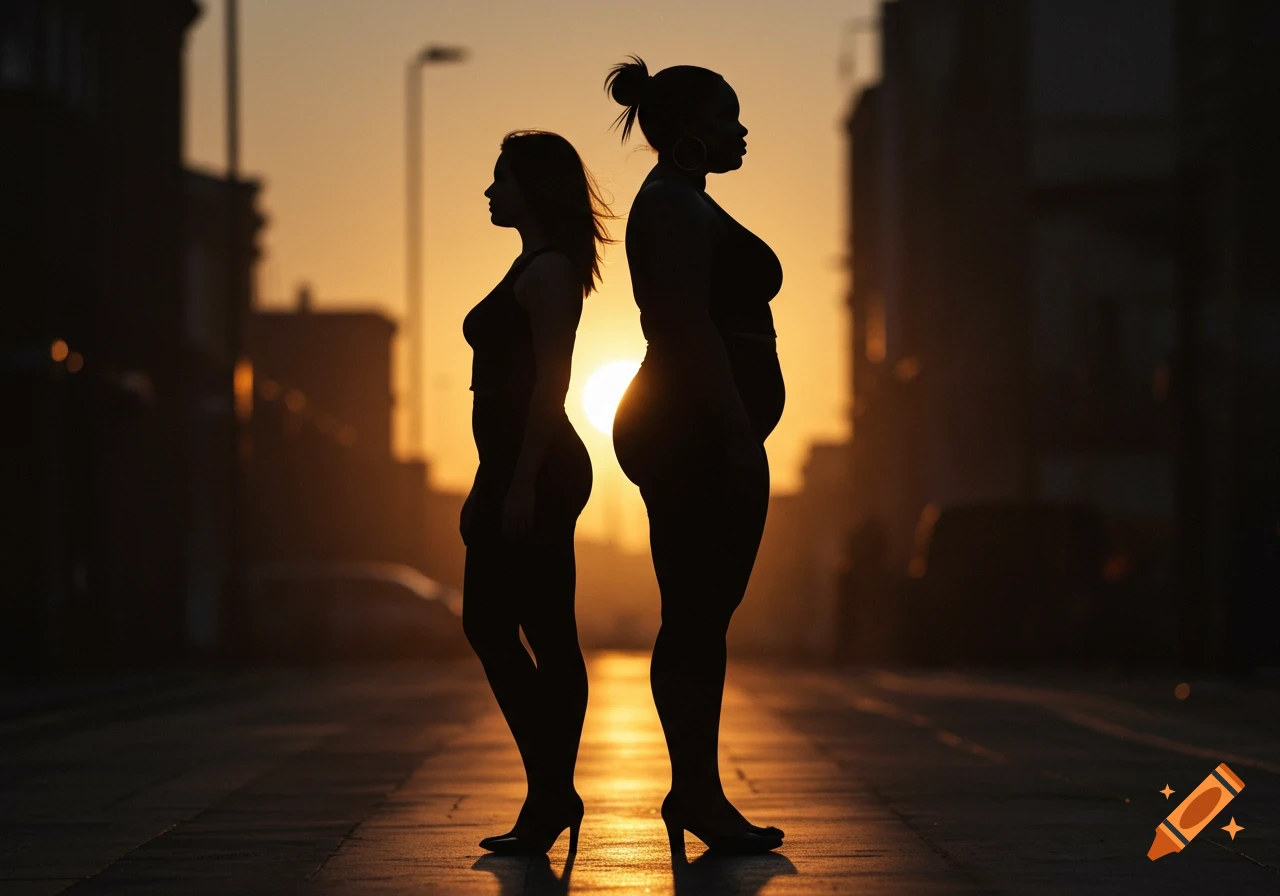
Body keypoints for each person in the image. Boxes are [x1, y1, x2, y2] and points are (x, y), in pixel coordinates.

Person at [605, 57, 785, 854]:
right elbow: (685, 330)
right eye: (727, 117)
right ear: (685, 131)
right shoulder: (673, 207)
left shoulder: (686, 203)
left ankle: (697, 792)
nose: (741, 131)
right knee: (695, 619)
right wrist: (740, 437)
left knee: (700, 618)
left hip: (698, 430)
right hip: (692, 433)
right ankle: (697, 795)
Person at [461, 130, 610, 855]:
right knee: (491, 626)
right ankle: (550, 790)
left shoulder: (549, 272)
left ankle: (550, 793)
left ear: (536, 189)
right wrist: (488, 482)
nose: (491, 192)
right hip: (513, 467)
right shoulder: (529, 265)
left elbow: (552, 382)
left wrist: (518, 483)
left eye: (503, 180)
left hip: (540, 467)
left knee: (543, 632)